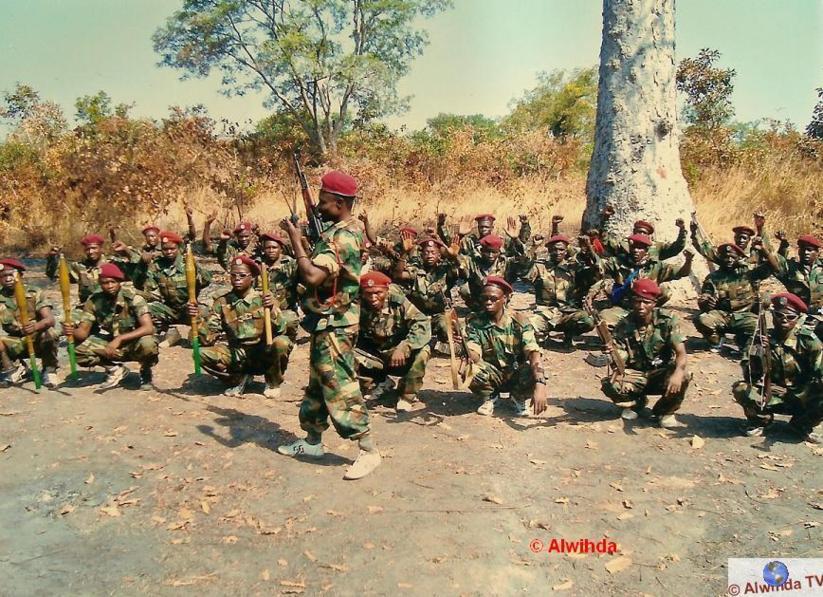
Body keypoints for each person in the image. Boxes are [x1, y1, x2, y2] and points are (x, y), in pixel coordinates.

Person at [277, 170, 381, 481]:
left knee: (339, 384)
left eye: (323, 202)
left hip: (336, 324)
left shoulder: (342, 237)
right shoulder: (343, 229)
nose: (318, 207)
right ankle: (312, 441)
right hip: (327, 320)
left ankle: (368, 449)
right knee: (318, 384)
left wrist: (295, 241)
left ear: (339, 203)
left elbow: (312, 276)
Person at [193, 256, 293, 398]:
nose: (237, 279)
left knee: (282, 343)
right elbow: (207, 337)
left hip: (262, 353)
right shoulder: (222, 302)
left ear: (252, 278)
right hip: (237, 353)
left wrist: (271, 309)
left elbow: (281, 329)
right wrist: (196, 318)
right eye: (233, 275)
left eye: (242, 275)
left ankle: (273, 382)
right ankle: (238, 379)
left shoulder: (264, 299)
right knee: (199, 354)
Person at [732, 292, 822, 443]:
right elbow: (748, 373)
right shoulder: (759, 338)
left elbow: (820, 373)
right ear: (772, 316)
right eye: (779, 315)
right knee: (741, 388)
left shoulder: (808, 341)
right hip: (770, 395)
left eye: (790, 317)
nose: (784, 320)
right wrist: (758, 353)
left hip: (801, 397)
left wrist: (799, 392)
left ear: (798, 318)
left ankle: (802, 425)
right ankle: (761, 420)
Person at [600, 278, 689, 428]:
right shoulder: (624, 324)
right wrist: (611, 352)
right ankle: (636, 403)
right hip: (637, 374)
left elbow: (681, 353)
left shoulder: (667, 321)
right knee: (610, 385)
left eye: (646, 302)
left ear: (654, 303)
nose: (641, 306)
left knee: (684, 376)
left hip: (661, 373)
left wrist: (678, 373)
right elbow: (621, 356)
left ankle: (665, 411)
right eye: (637, 301)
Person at [64, 263, 157, 391]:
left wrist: (119, 339)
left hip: (134, 343)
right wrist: (71, 331)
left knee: (148, 343)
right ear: (100, 284)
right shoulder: (94, 301)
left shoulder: (133, 298)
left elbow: (148, 328)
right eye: (105, 283)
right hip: (112, 344)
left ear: (119, 282)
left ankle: (145, 371)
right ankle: (115, 369)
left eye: (113, 282)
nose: (109, 286)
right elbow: (83, 333)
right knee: (76, 349)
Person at [464, 276, 547, 417]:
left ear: (505, 299)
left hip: (516, 374)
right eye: (484, 298)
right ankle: (490, 397)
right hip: (491, 374)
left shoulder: (519, 321)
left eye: (493, 298)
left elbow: (533, 352)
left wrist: (540, 384)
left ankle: (518, 397)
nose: (488, 302)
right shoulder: (475, 322)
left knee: (533, 369)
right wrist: (463, 349)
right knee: (469, 368)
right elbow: (475, 353)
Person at [356, 271, 432, 412]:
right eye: (368, 293)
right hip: (374, 355)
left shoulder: (398, 302)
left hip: (398, 356)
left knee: (423, 351)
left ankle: (407, 395)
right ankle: (377, 384)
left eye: (378, 293)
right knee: (344, 351)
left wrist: (405, 346)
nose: (373, 298)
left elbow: (422, 323)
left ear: (386, 290)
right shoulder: (358, 304)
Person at [596, 233, 693, 327]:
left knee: (665, 293)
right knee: (604, 317)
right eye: (633, 247)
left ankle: (644, 317)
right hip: (624, 307)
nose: (636, 251)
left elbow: (683, 272)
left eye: (640, 248)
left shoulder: (655, 266)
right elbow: (598, 266)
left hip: (646, 309)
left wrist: (688, 260)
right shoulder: (619, 262)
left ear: (646, 250)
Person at [693, 243, 772, 352]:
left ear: (739, 258)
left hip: (744, 316)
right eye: (726, 257)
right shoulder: (713, 277)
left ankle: (742, 341)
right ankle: (716, 340)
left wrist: (764, 251)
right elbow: (706, 295)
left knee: (759, 326)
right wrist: (706, 303)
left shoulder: (749, 274)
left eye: (733, 257)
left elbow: (773, 267)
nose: (729, 260)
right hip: (722, 315)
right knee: (701, 319)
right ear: (720, 258)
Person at [140, 231, 211, 347]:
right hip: (168, 309)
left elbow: (207, 280)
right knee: (147, 308)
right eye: (165, 249)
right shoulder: (156, 265)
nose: (169, 252)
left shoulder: (187, 263)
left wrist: (196, 267)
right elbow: (151, 291)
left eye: (172, 249)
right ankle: (171, 334)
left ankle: (196, 333)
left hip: (189, 308)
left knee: (205, 313)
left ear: (178, 248)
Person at [524, 234, 597, 347]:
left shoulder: (573, 268)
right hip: (545, 313)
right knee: (527, 326)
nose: (558, 253)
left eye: (561, 250)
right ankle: (543, 334)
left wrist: (589, 248)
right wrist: (533, 248)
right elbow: (524, 275)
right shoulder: (540, 266)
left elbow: (597, 271)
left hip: (567, 314)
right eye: (554, 249)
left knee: (587, 321)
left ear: (566, 251)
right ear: (549, 250)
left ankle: (569, 335)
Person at [391, 236, 461, 346]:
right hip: (418, 317)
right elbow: (398, 275)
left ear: (439, 255)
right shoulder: (416, 271)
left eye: (433, 252)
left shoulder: (445, 270)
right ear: (422, 256)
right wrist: (404, 253)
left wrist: (453, 257)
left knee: (447, 329)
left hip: (439, 315)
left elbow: (459, 272)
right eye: (426, 253)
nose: (429, 256)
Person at [0, 259, 59, 387]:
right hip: (16, 340)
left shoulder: (34, 293)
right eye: (4, 276)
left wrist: (35, 326)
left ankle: (49, 370)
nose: (8, 279)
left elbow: (50, 319)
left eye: (12, 275)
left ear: (20, 275)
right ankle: (14, 369)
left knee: (50, 333)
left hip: (36, 338)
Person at [762, 234, 823, 340]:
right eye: (803, 249)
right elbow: (772, 257)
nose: (806, 252)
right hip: (796, 316)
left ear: (817, 252)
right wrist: (761, 230)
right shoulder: (790, 268)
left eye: (809, 250)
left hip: (819, 315)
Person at [458, 233, 524, 312]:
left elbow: (524, 259)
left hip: (498, 299)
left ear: (499, 252)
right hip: (479, 298)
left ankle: (500, 308)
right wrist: (454, 255)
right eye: (487, 252)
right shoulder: (474, 262)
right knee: (464, 289)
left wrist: (516, 240)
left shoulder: (506, 262)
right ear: (481, 251)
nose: (490, 255)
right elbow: (460, 260)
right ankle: (477, 309)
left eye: (494, 252)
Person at [599, 206, 687, 261]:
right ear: (634, 232)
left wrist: (682, 230)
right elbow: (606, 242)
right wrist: (605, 220)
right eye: (639, 232)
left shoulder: (656, 247)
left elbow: (676, 248)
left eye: (644, 233)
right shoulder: (624, 245)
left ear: (648, 235)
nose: (641, 234)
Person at [256, 231, 300, 340]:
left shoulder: (290, 264)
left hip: (285, 311)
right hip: (262, 310)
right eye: (268, 248)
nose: (271, 250)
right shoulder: (257, 264)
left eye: (274, 247)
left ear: (281, 249)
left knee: (289, 321)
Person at [46, 234, 107, 305]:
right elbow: (53, 275)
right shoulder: (78, 267)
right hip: (87, 308)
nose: (90, 252)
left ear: (101, 248)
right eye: (87, 249)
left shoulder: (112, 263)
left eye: (94, 248)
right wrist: (52, 258)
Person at [110, 224, 161, 289]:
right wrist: (113, 237)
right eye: (148, 236)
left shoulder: (164, 249)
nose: (151, 239)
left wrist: (128, 251)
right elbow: (128, 253)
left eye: (153, 236)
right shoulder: (144, 249)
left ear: (158, 236)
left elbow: (142, 259)